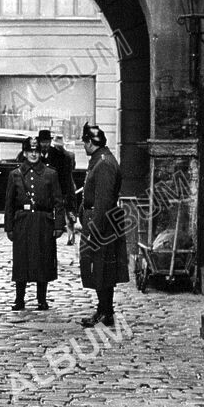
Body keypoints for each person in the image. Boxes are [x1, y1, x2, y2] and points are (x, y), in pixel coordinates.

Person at [78, 121, 129, 327]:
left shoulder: (104, 163)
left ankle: (105, 311)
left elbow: (103, 200)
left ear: (90, 142)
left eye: (84, 142)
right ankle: (104, 310)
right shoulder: (100, 159)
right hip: (100, 220)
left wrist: (94, 230)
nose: (83, 146)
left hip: (103, 223)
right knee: (100, 268)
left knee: (102, 268)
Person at [4, 136, 62, 310]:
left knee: (43, 259)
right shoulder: (15, 174)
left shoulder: (50, 174)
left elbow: (58, 201)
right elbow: (9, 203)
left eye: (36, 152)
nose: (33, 155)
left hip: (43, 222)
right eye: (30, 151)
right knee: (21, 259)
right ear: (24, 153)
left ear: (41, 153)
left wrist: (58, 225)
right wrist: (9, 227)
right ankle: (19, 299)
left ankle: (41, 299)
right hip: (22, 221)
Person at [37, 129, 76, 241]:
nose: (45, 145)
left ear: (50, 142)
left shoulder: (60, 156)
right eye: (43, 142)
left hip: (55, 192)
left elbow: (64, 177)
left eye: (47, 142)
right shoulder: (34, 154)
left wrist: (63, 194)